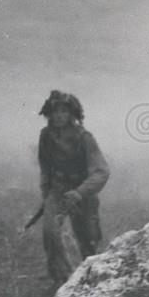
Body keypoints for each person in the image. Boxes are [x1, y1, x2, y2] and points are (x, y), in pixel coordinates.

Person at [37, 90, 109, 285]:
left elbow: (102, 172)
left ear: (72, 114)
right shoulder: (45, 136)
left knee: (88, 241)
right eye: (55, 111)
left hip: (82, 192)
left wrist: (80, 192)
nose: (59, 115)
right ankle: (61, 280)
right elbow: (45, 168)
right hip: (58, 190)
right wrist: (47, 195)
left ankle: (92, 281)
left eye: (63, 111)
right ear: (48, 113)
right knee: (50, 233)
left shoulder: (84, 137)